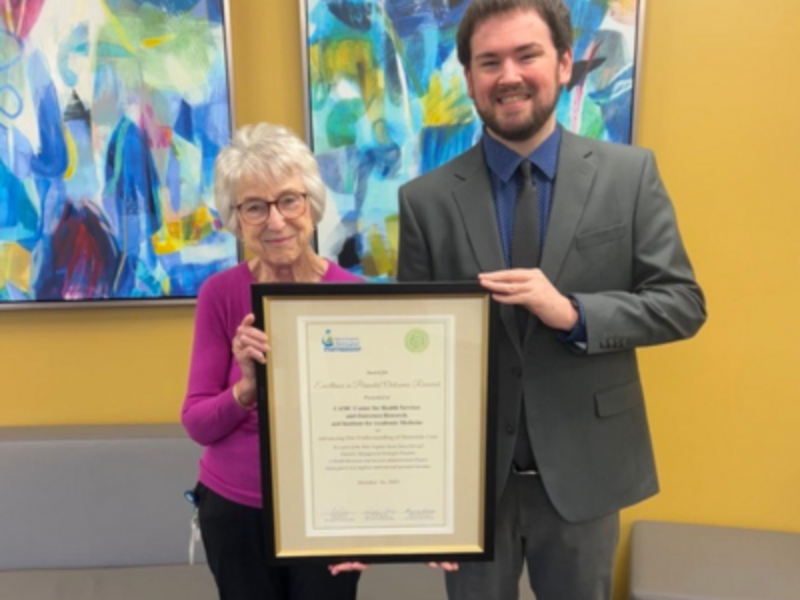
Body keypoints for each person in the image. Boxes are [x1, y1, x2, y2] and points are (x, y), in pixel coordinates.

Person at [396, 1, 707, 599]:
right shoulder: (424, 201)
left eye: (526, 55)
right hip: (471, 486)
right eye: (489, 62)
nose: (508, 75)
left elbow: (682, 302)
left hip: (586, 477)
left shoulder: (629, 175)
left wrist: (575, 313)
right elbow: (416, 357)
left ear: (565, 63)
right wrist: (419, 493)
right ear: (469, 80)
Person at [182, 123, 365, 600]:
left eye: (289, 200)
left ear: (312, 205)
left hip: (330, 511)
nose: (276, 221)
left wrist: (375, 516)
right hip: (236, 510)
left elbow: (378, 421)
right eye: (254, 207)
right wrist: (245, 389)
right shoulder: (220, 295)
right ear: (236, 219)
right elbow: (197, 422)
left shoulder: (358, 298)